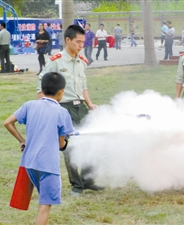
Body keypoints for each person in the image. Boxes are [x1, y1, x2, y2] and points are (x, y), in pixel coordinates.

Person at [37, 24, 104, 196]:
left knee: (91, 141)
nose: (81, 46)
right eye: (78, 42)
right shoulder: (56, 61)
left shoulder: (82, 62)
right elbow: (41, 84)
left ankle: (89, 180)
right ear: (68, 40)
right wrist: (44, 108)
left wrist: (89, 103)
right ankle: (77, 185)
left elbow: (84, 86)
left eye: (83, 42)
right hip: (63, 107)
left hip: (80, 106)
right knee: (70, 147)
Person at [4, 72, 74, 225]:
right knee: (44, 206)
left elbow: (7, 122)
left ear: (42, 89)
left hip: (29, 163)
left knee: (42, 201)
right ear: (61, 91)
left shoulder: (30, 105)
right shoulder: (62, 112)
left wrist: (22, 140)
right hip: (49, 166)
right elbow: (60, 144)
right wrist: (65, 143)